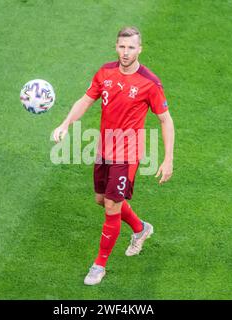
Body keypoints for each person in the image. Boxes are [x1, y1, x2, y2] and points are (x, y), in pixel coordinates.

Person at [52, 26, 175, 285]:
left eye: (131, 47)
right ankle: (141, 228)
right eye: (122, 46)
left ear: (140, 49)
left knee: (111, 206)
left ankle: (99, 265)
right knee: (101, 200)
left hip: (127, 155)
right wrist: (65, 124)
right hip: (104, 149)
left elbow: (165, 120)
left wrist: (168, 159)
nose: (126, 52)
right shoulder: (105, 72)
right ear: (116, 47)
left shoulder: (150, 83)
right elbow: (86, 99)